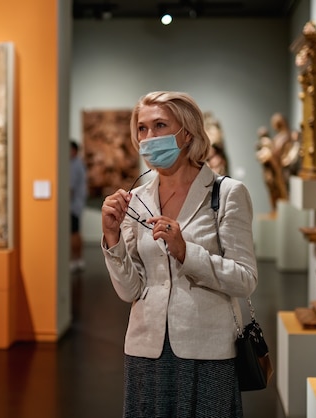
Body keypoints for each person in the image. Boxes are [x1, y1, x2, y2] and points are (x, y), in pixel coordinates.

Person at [101, 91, 258, 417]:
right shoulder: (136, 199)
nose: (148, 137)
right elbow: (130, 290)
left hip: (207, 349)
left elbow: (245, 279)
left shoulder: (226, 193)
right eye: (142, 129)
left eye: (160, 125)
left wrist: (187, 252)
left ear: (187, 133)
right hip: (146, 349)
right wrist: (112, 236)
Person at [70, 140, 87, 273]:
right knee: (75, 232)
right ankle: (77, 259)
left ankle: (76, 260)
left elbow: (70, 188)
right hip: (77, 204)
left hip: (73, 206)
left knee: (74, 233)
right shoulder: (78, 164)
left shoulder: (74, 165)